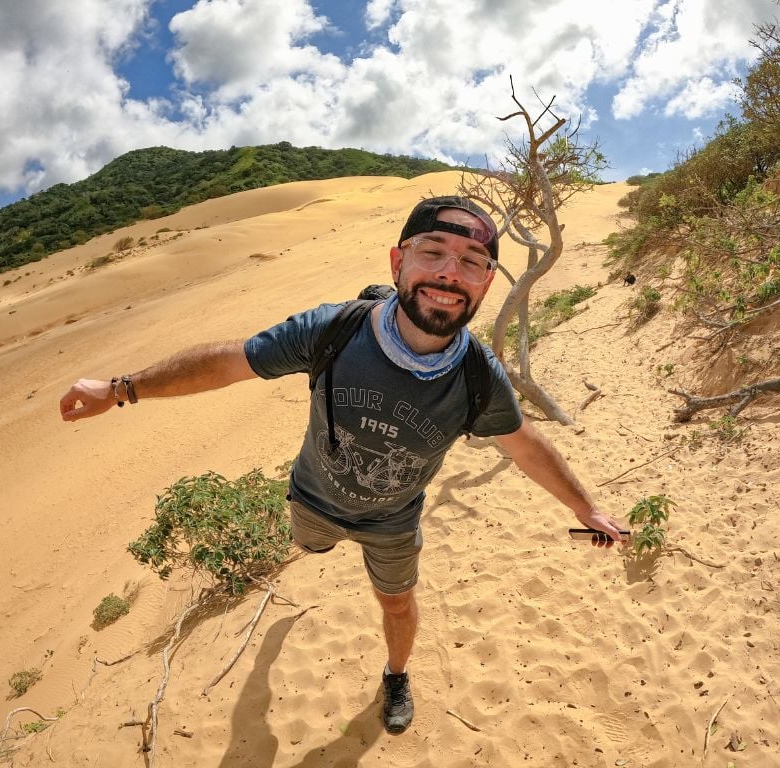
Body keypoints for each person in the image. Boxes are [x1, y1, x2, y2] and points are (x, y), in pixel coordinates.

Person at [60, 195, 628, 735]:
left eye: (472, 262)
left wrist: (589, 508)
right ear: (398, 261)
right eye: (432, 252)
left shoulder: (479, 378)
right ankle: (317, 545)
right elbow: (230, 363)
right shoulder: (335, 330)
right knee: (309, 543)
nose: (450, 273)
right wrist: (120, 390)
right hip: (312, 499)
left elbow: (524, 444)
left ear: (484, 283)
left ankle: (396, 676)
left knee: (398, 601)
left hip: (392, 522)